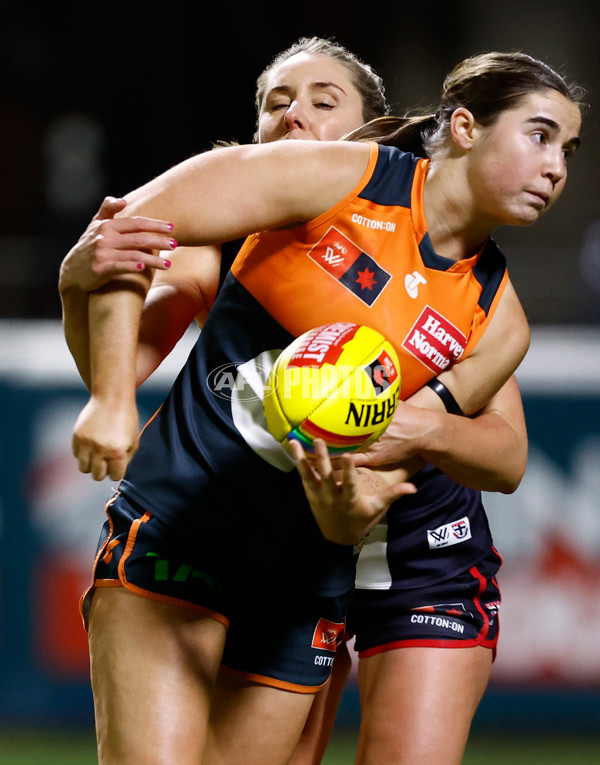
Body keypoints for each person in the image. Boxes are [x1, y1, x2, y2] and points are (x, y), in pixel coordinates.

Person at [62, 44, 582, 765]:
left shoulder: (495, 315)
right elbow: (122, 236)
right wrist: (111, 395)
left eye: (568, 147)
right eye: (540, 136)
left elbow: (491, 454)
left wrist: (389, 452)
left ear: (365, 120)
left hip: (346, 559)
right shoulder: (313, 192)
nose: (558, 167)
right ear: (464, 127)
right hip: (187, 525)